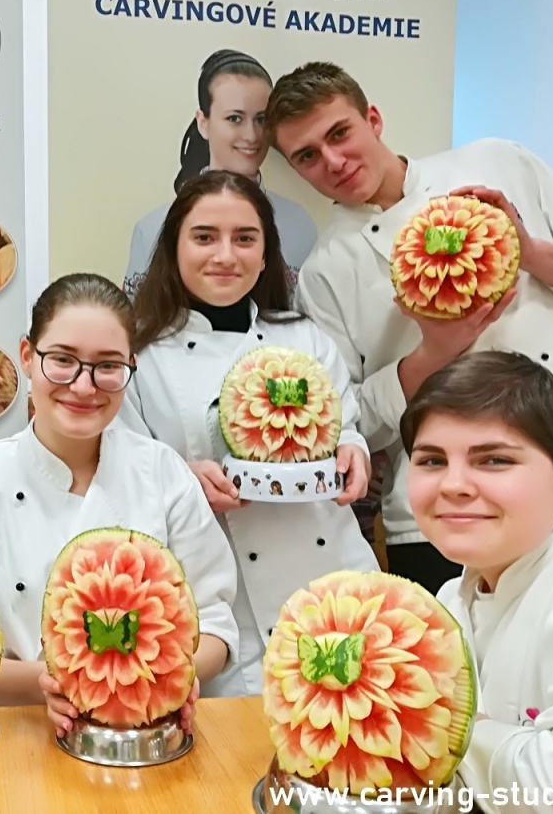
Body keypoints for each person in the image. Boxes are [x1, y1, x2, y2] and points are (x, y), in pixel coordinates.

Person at [266, 60, 553, 592]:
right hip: (448, 520)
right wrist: (434, 350)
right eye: (307, 155)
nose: (333, 161)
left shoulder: (497, 162)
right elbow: (347, 421)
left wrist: (527, 251)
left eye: (340, 133)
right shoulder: (325, 272)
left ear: (373, 119)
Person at [0, 273, 241, 736]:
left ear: (130, 367)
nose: (84, 386)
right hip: (17, 739)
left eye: (107, 365)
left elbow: (214, 621)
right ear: (27, 356)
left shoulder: (162, 472)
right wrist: (52, 683)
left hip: (149, 732)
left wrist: (174, 679)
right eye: (62, 360)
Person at [118, 169, 378, 697]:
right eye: (204, 237)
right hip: (217, 599)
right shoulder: (138, 357)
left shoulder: (306, 338)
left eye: (244, 238)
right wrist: (182, 479)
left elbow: (345, 426)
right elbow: (121, 471)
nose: (225, 255)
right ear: (173, 249)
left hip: (327, 575)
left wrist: (355, 450)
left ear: (265, 255)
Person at [401, 351, 553, 812]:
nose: (453, 484)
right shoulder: (448, 601)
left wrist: (440, 723)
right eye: (431, 461)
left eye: (494, 460)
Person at [125, 49, 317, 298]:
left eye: (261, 120)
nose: (251, 136)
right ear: (203, 122)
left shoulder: (298, 224)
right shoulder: (154, 227)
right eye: (235, 118)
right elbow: (141, 315)